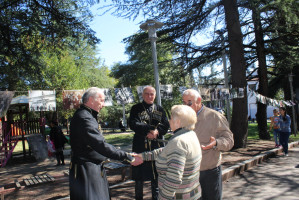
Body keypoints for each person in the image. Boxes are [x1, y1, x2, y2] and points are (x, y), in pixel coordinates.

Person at [69, 87, 134, 200]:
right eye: (101, 100)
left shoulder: (85, 115)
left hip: (89, 167)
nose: (103, 105)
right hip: (87, 170)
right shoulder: (85, 118)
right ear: (91, 100)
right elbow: (100, 145)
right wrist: (127, 156)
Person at [132, 105, 202, 200]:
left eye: (171, 118)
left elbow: (174, 178)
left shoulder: (178, 142)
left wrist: (164, 197)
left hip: (177, 196)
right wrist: (143, 156)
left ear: (178, 122)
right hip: (192, 194)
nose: (169, 121)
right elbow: (166, 151)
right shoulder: (190, 134)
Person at [182, 89, 234, 200]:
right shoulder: (183, 119)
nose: (186, 105)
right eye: (184, 102)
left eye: (190, 102)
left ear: (199, 100)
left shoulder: (214, 116)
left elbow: (229, 140)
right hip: (189, 172)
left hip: (209, 171)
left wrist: (216, 143)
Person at [129, 86, 170, 200]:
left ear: (155, 95)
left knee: (157, 176)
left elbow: (166, 125)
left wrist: (157, 132)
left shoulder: (160, 109)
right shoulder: (136, 108)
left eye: (152, 94)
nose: (149, 96)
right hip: (140, 145)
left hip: (156, 146)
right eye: (147, 94)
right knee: (139, 177)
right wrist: (148, 130)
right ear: (142, 95)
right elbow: (133, 123)